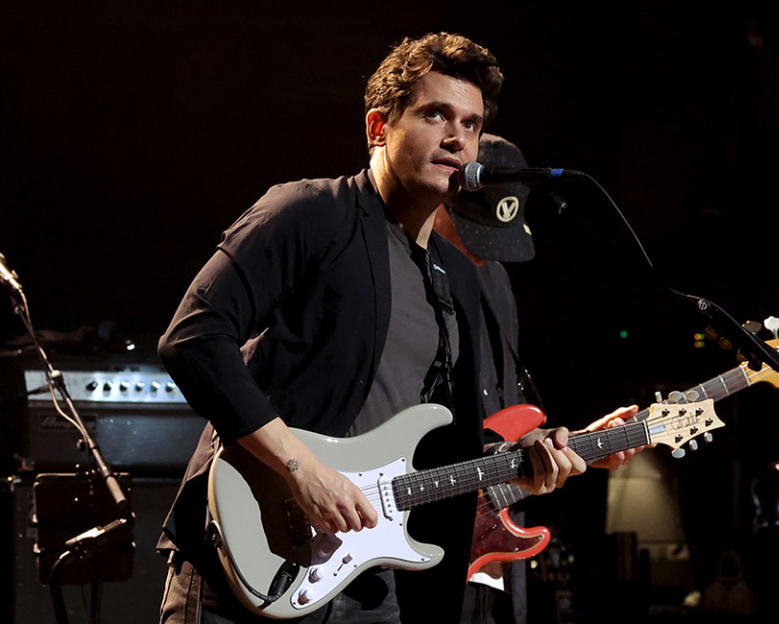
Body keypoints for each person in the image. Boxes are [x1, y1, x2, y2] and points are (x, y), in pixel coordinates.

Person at [155, 33, 588, 624]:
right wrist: (299, 469)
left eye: (472, 123)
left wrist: (517, 462)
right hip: (252, 557)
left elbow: (431, 435)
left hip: (368, 580)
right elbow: (193, 338)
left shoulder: (456, 276)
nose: (458, 137)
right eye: (435, 114)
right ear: (378, 127)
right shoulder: (308, 212)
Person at [434, 134, 642, 624]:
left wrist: (579, 446)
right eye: (474, 232)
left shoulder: (495, 278)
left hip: (494, 551)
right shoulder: (408, 272)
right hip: (429, 542)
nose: (485, 255)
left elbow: (504, 415)